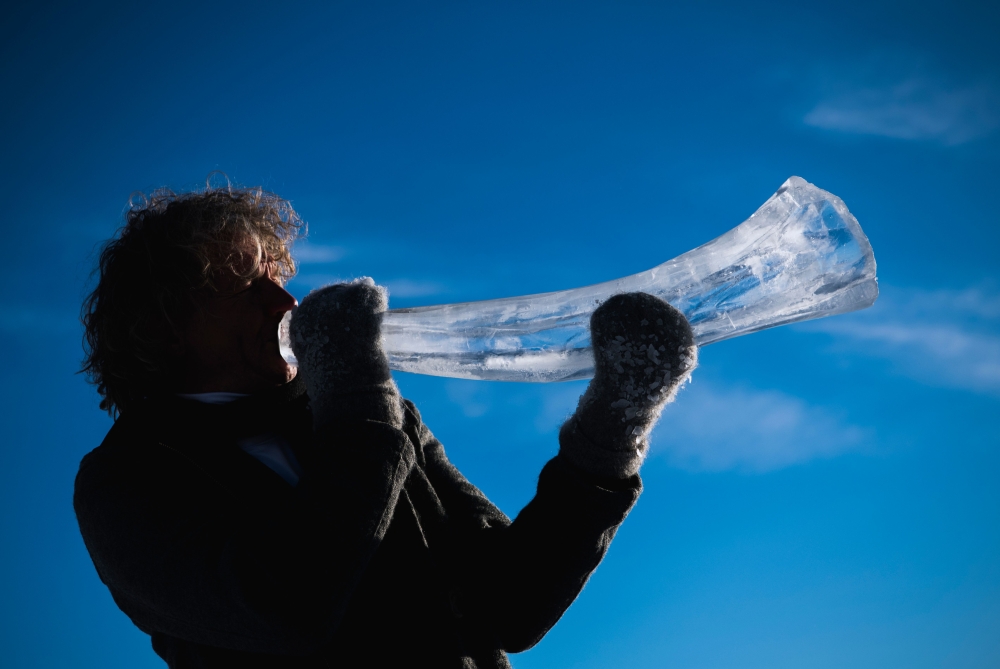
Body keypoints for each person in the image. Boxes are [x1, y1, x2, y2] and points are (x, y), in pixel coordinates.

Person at [74, 183, 697, 668]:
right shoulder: (125, 479)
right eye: (244, 287)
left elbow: (509, 604)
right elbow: (284, 606)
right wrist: (354, 395)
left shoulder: (370, 415)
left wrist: (614, 423)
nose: (286, 304)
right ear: (160, 323)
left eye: (278, 280)